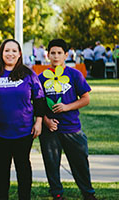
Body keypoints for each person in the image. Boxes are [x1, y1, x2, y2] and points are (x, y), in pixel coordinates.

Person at [0, 39, 44, 200]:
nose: (10, 54)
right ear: (1, 53)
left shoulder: (28, 74)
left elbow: (39, 99)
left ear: (19, 54)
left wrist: (39, 122)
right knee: (2, 165)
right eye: (6, 50)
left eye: (14, 51)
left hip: (24, 129)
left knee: (23, 165)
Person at [38, 39, 97, 200]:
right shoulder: (41, 78)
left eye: (59, 53)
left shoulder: (74, 74)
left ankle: (88, 193)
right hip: (50, 130)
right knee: (51, 164)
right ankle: (57, 193)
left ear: (66, 55)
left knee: (80, 163)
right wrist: (46, 121)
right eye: (52, 53)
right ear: (48, 55)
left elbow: (85, 99)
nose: (56, 56)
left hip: (72, 127)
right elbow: (37, 104)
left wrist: (67, 107)